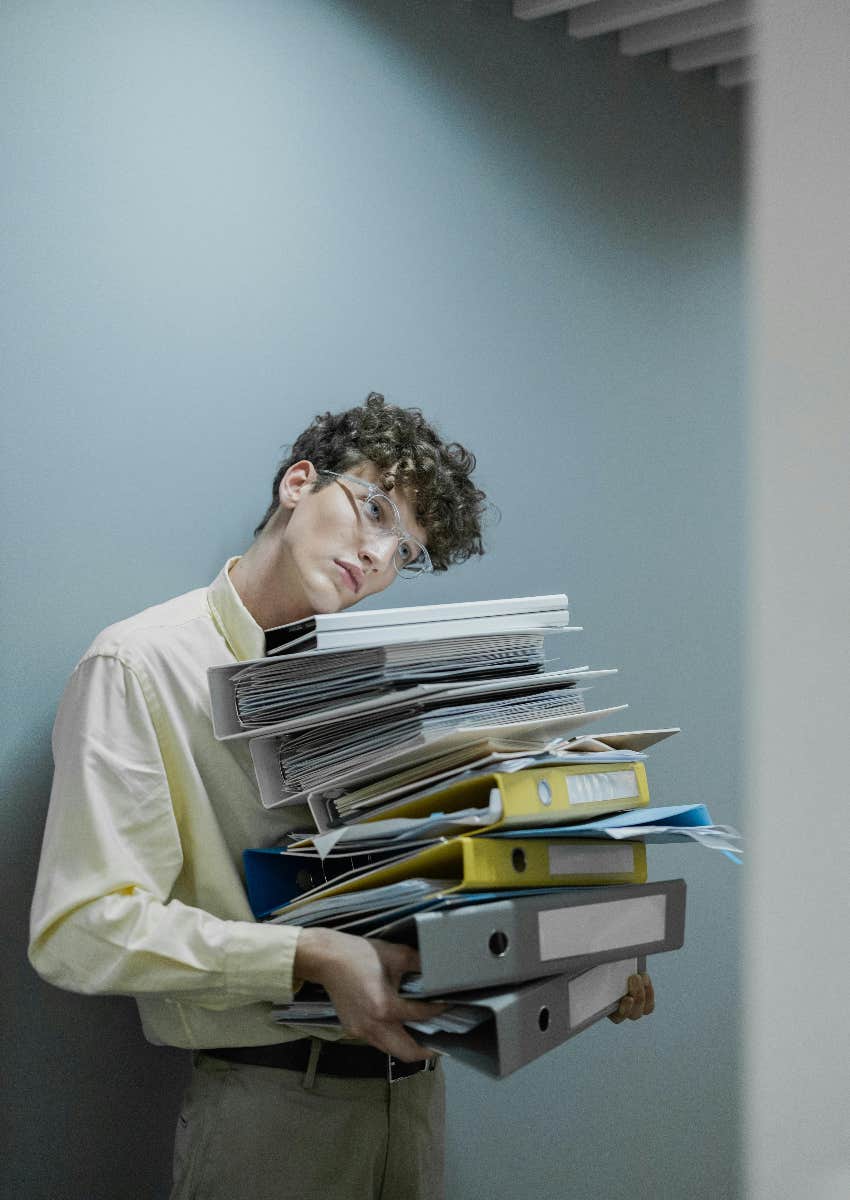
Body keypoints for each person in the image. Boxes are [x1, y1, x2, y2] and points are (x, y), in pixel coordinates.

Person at [28, 392, 654, 1200]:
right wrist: (314, 956)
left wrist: (580, 946)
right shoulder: (139, 666)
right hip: (272, 1111)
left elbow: (433, 872)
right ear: (298, 484)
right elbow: (82, 927)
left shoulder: (391, 687)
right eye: (374, 508)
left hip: (418, 1101)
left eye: (405, 549)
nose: (380, 555)